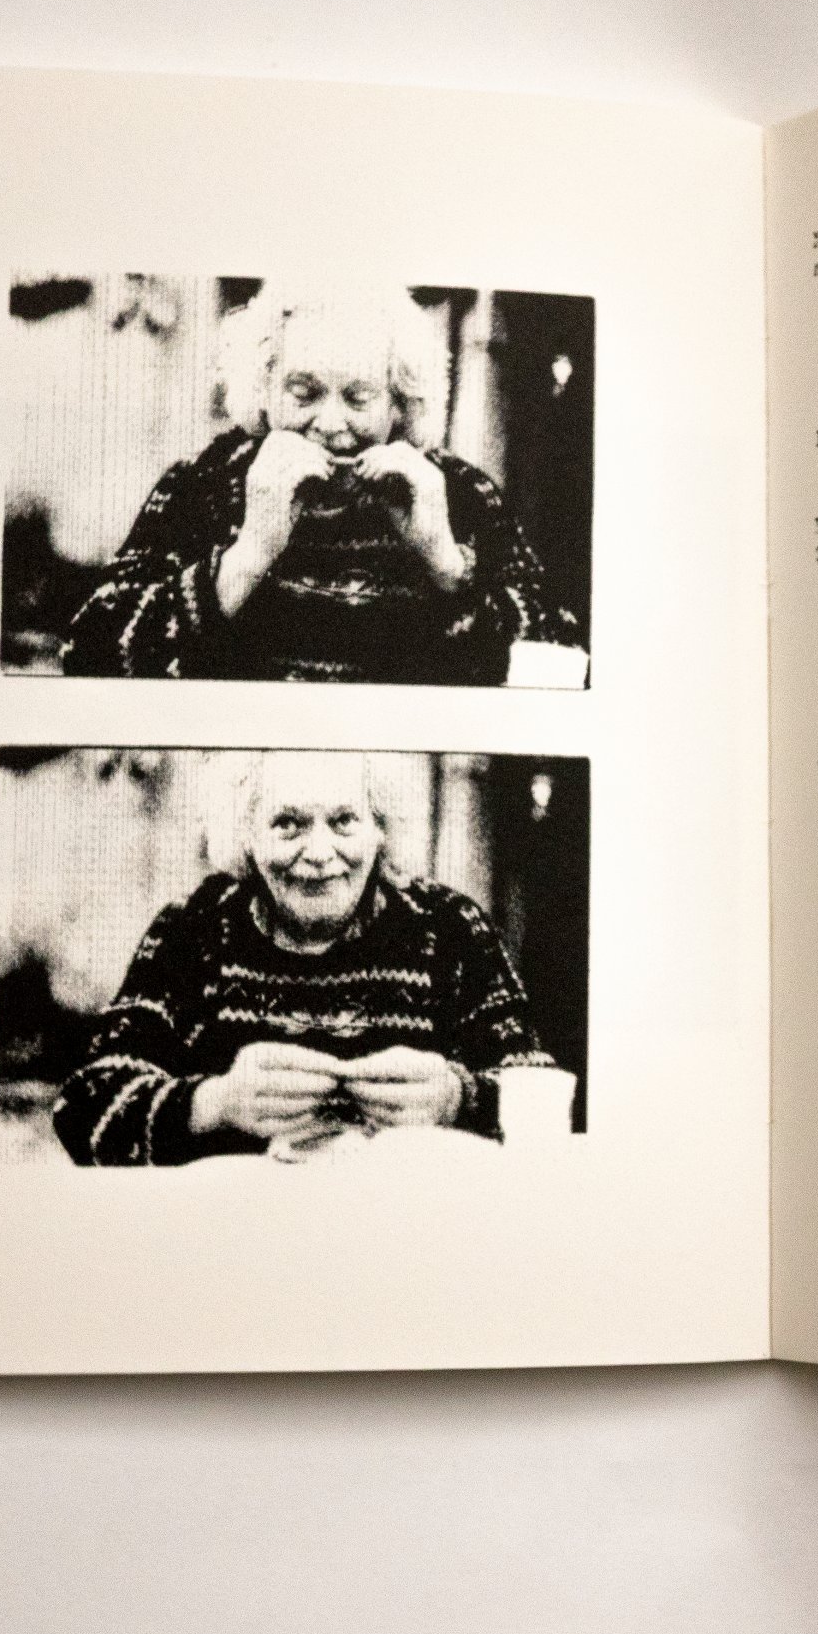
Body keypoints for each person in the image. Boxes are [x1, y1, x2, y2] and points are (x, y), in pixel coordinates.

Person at [53, 751, 559, 1165]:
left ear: (379, 829)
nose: (319, 852)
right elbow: (83, 1109)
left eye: (344, 821)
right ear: (245, 835)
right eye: (288, 824)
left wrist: (457, 1098)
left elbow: (546, 1107)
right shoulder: (193, 929)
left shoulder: (449, 928)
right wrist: (214, 1104)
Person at [62, 289, 575, 684]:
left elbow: (560, 666)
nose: (329, 425)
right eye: (303, 393)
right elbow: (88, 656)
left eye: (358, 398)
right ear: (264, 389)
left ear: (399, 403)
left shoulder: (459, 494)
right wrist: (248, 555)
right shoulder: (203, 483)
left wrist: (445, 560)